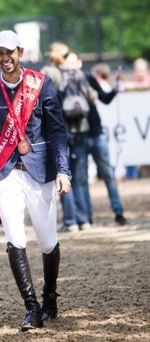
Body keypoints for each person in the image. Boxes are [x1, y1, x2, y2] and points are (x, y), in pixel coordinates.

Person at [0, 30, 71, 331]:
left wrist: (64, 171)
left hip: (40, 171)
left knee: (47, 242)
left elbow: (58, 131)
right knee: (15, 238)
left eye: (9, 52)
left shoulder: (42, 83)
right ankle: (32, 308)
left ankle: (50, 297)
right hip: (5, 173)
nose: (5, 58)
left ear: (20, 52)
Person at [56, 50, 95, 232]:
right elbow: (92, 99)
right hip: (81, 131)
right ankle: (84, 219)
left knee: (64, 176)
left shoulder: (59, 78)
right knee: (79, 177)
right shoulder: (82, 77)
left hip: (64, 133)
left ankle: (71, 221)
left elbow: (55, 102)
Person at [85, 63, 128, 225]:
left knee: (107, 174)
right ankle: (86, 216)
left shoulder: (88, 79)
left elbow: (105, 98)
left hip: (95, 133)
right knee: (84, 179)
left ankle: (118, 211)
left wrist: (116, 88)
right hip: (80, 136)